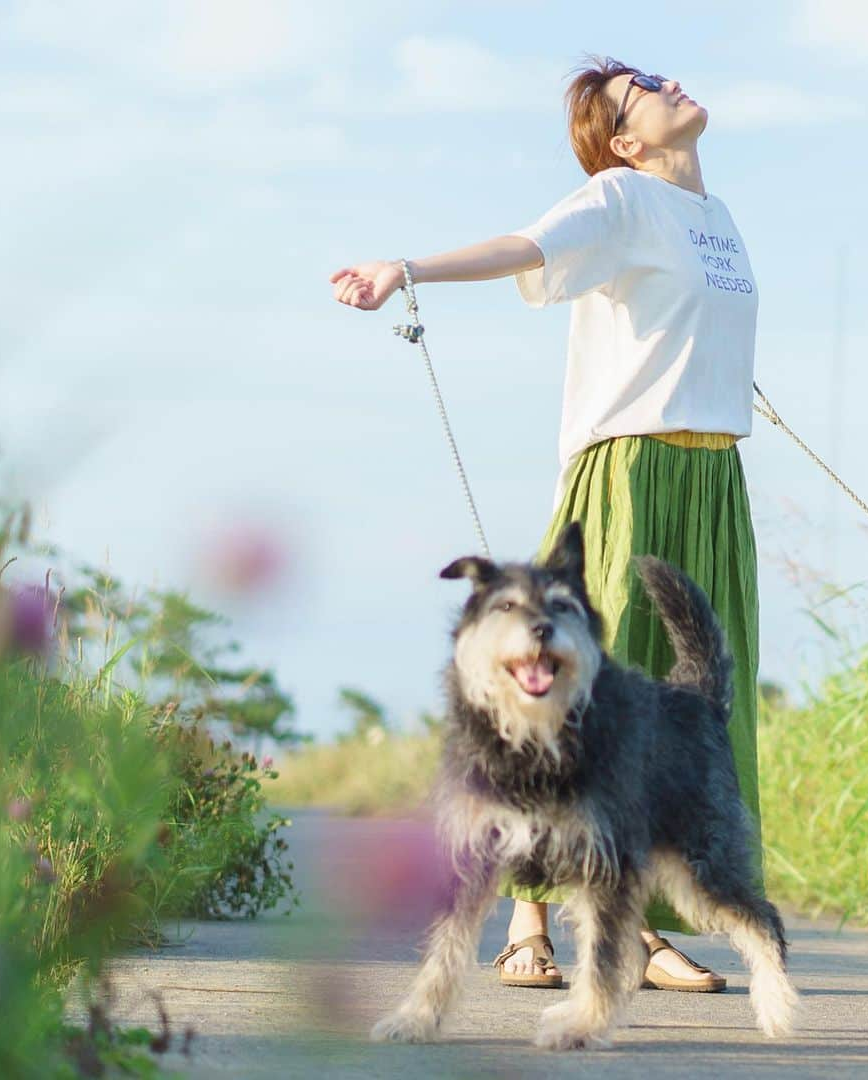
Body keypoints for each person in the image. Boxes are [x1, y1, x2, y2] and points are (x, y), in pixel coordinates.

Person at [328, 53, 764, 994]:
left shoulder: (716, 219)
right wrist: (406, 269)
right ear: (623, 140)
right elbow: (524, 247)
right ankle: (528, 921)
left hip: (713, 478)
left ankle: (635, 924)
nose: (670, 82)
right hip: (634, 474)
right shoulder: (618, 198)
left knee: (688, 705)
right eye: (642, 89)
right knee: (579, 694)